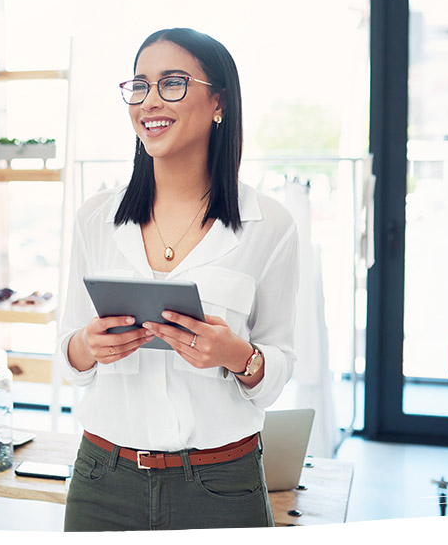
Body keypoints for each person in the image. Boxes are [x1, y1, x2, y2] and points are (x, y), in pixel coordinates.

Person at [56, 27, 300, 531]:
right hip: (103, 480)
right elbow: (69, 356)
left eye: (171, 83)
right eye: (139, 86)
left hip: (220, 487)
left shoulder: (269, 224)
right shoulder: (95, 217)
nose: (149, 101)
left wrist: (236, 355)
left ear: (219, 103)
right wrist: (87, 345)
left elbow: (277, 365)